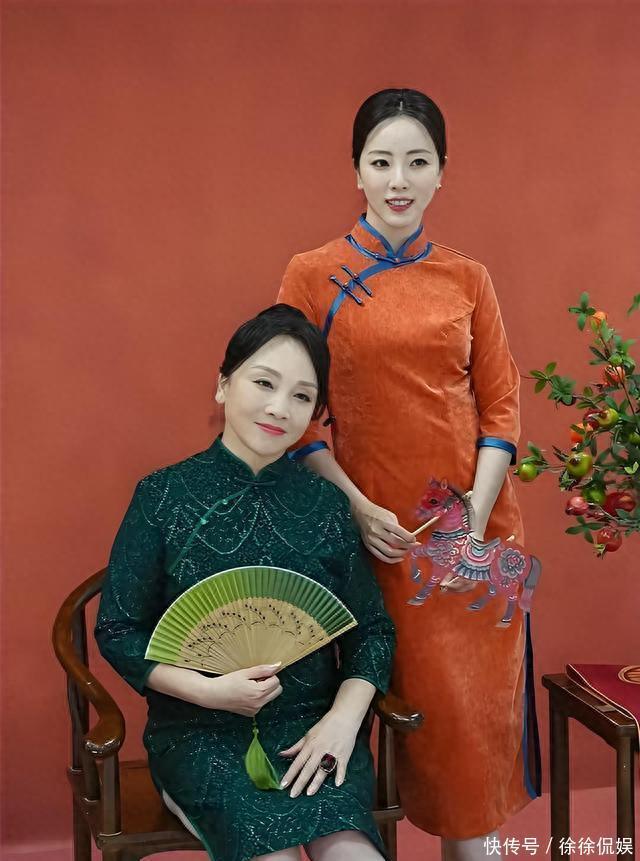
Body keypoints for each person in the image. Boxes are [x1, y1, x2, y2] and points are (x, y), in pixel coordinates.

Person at [277, 88, 541, 859]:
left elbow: (502, 407)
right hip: (366, 536)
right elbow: (294, 414)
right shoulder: (312, 274)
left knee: (468, 741)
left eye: (417, 162)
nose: (399, 180)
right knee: (368, 723)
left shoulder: (468, 278)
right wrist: (358, 508)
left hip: (471, 538)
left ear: (442, 171)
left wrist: (474, 518)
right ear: (356, 170)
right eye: (382, 161)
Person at [95, 304, 396, 861]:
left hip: (314, 729)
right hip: (199, 734)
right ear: (223, 385)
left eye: (302, 396)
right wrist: (208, 691)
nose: (280, 407)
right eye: (264, 383)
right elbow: (118, 629)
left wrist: (343, 721)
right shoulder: (164, 495)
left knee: (355, 856)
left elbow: (372, 632)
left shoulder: (327, 506)